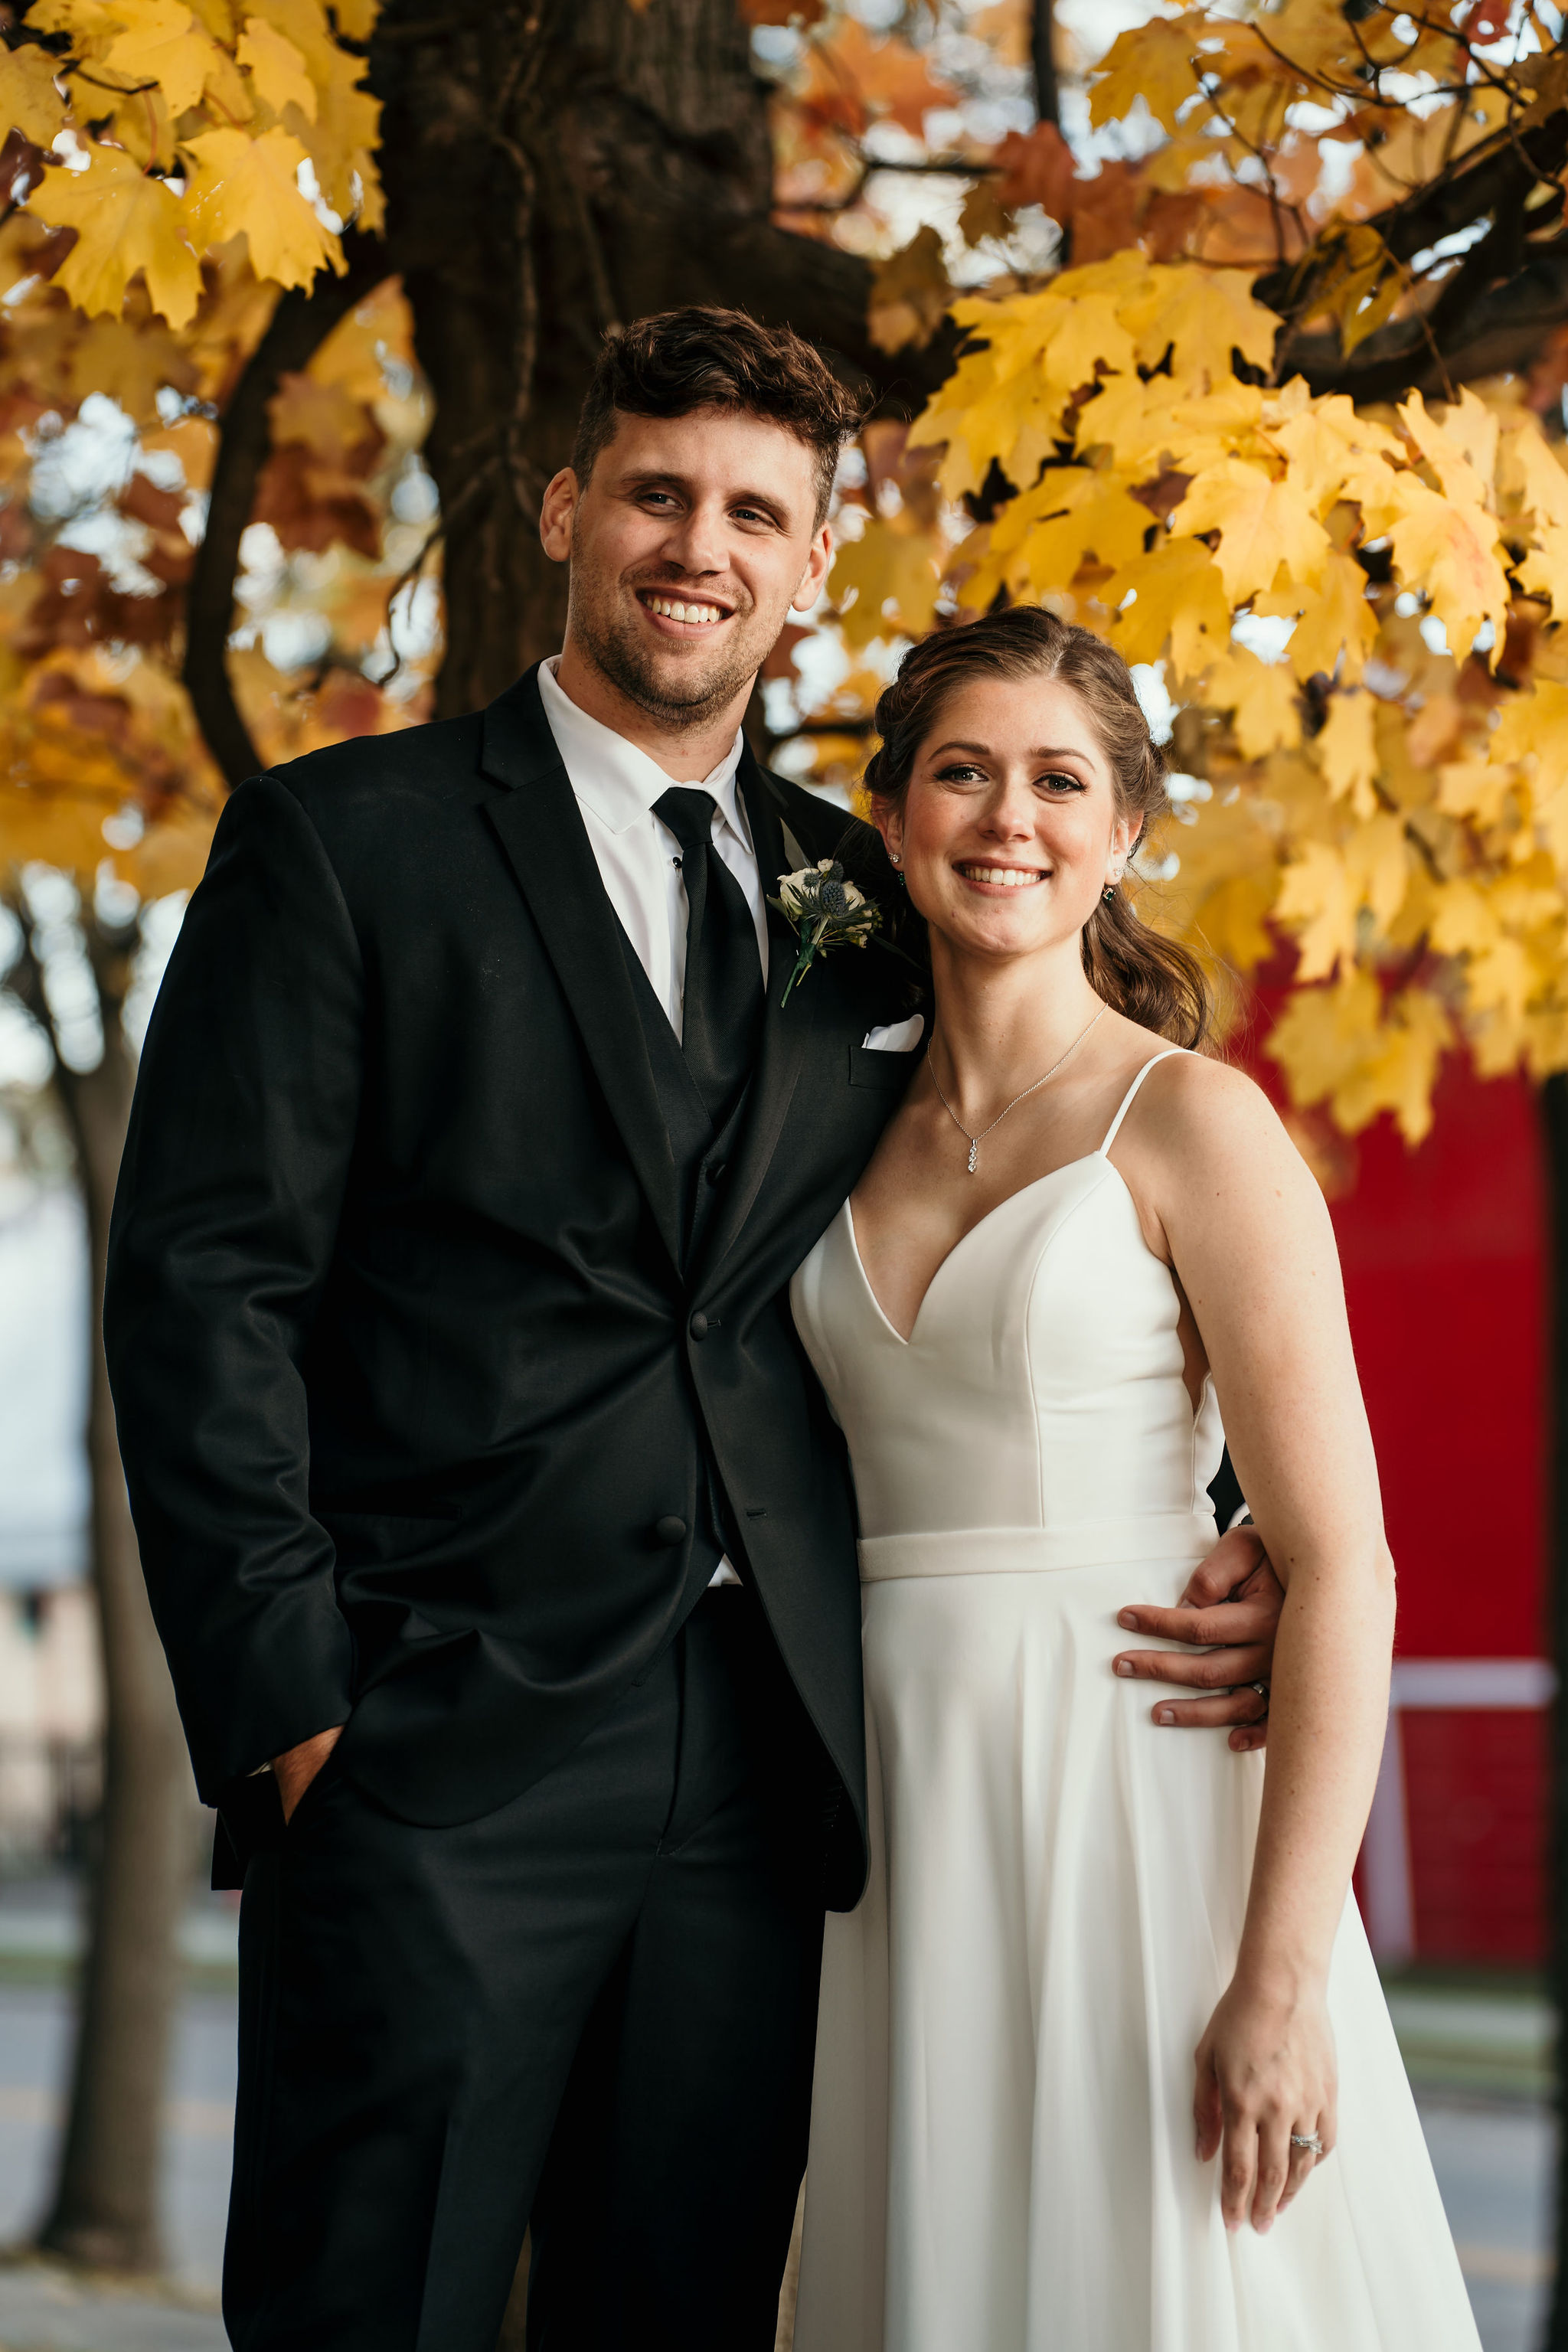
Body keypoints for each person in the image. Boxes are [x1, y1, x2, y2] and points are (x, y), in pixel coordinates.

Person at [103, 312, 1282, 2352]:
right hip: (426, 1753)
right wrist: (297, 1714)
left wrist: (1244, 1524)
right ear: (568, 510)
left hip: (775, 1781)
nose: (699, 546)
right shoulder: (345, 846)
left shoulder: (866, 885)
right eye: (658, 492)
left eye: (757, 510)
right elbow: (208, 1296)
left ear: (818, 558)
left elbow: (1041, 1170)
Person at [789, 606, 1480, 2351]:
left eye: (1057, 779)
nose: (1005, 816)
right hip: (885, 1805)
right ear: (893, 819)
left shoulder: (1191, 1123)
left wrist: (1283, 1978)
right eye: (961, 772)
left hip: (1139, 1794)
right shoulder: (813, 1130)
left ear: (1123, 836)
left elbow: (1339, 1563)